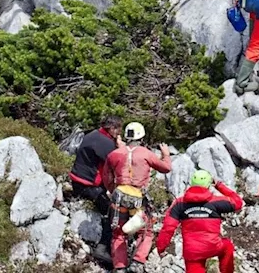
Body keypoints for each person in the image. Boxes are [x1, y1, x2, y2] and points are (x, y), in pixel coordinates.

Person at [104, 122, 173, 273]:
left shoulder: (114, 154)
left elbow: (107, 179)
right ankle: (138, 261)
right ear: (141, 137)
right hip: (138, 199)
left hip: (118, 197)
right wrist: (166, 154)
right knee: (146, 231)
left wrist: (113, 191)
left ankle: (120, 266)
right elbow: (166, 168)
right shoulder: (146, 153)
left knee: (118, 233)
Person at [155, 170, 243, 273]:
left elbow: (168, 228)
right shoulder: (216, 202)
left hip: (192, 251)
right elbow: (238, 202)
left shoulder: (179, 203)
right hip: (213, 246)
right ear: (208, 185)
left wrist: (161, 248)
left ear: (192, 184)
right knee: (227, 246)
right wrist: (219, 185)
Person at [70, 116, 123, 264]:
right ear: (112, 129)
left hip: (76, 181)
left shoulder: (93, 134)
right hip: (88, 185)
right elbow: (118, 162)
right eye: (118, 129)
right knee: (111, 212)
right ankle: (102, 248)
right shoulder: (106, 143)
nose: (119, 133)